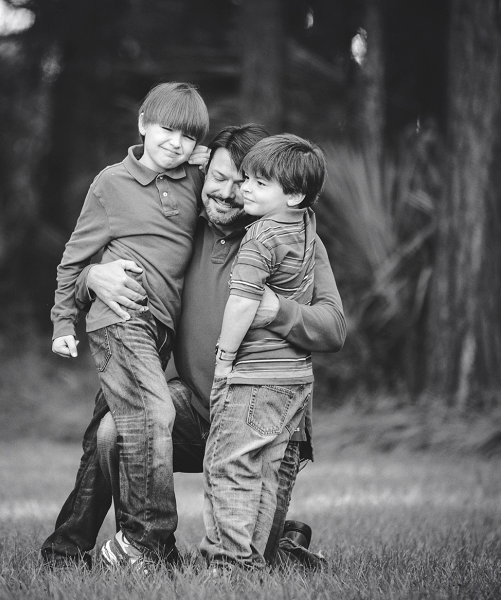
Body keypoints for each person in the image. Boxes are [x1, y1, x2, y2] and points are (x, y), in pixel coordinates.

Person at [41, 124, 345, 570]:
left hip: (260, 424)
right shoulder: (184, 232)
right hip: (198, 410)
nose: (226, 192)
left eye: (242, 182)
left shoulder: (290, 239)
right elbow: (109, 257)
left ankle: (285, 543)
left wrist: (277, 310)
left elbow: (334, 327)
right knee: (115, 429)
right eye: (216, 177)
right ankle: (141, 548)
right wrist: (91, 277)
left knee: (244, 563)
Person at [49, 82, 209, 567]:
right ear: (143, 123)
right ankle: (151, 542)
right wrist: (63, 321)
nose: (175, 142)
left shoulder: (194, 180)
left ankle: (64, 549)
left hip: (158, 333)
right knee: (155, 415)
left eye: (187, 135)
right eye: (166, 128)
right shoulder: (110, 184)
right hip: (122, 320)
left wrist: (211, 161)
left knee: (109, 434)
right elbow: (73, 261)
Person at [199, 134, 326, 571]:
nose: (244, 189)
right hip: (295, 380)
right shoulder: (305, 225)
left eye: (257, 183)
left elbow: (242, 302)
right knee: (267, 474)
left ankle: (229, 565)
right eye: (245, 178)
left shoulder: (261, 237)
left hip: (254, 376)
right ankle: (252, 562)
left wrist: (224, 358)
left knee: (230, 468)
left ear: (293, 193)